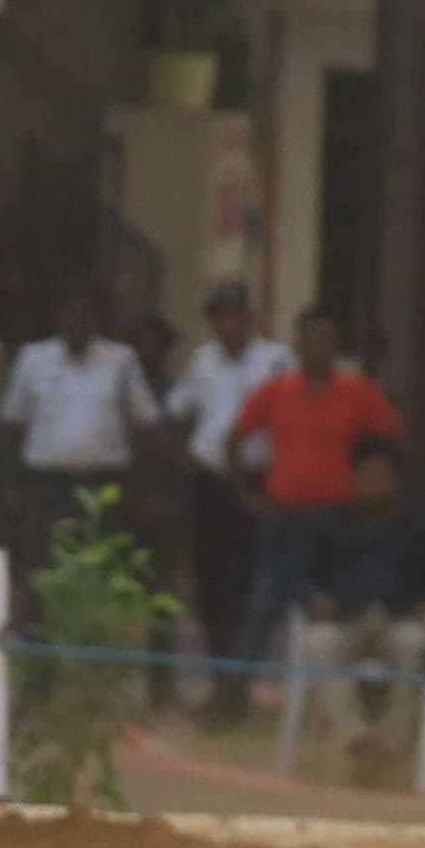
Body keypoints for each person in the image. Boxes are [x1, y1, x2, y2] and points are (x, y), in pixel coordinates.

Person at [231, 309, 404, 640]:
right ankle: (240, 683)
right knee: (263, 600)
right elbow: (234, 440)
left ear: (337, 345)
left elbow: (393, 437)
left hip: (335, 519)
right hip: (281, 514)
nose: (318, 348)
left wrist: (376, 490)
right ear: (298, 344)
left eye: (326, 340)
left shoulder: (358, 392)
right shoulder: (275, 390)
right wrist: (246, 494)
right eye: (310, 340)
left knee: (331, 602)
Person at [162, 282, 292, 720]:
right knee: (211, 589)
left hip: (257, 484)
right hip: (209, 484)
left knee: (249, 590)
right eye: (220, 317)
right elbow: (177, 413)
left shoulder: (275, 360)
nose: (228, 324)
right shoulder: (202, 361)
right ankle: (221, 686)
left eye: (236, 315)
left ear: (250, 318)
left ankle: (239, 688)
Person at [290, 441, 425, 779]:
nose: (375, 483)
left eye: (383, 476)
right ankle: (356, 738)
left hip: (397, 618)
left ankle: (389, 745)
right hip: (342, 618)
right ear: (353, 477)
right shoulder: (325, 522)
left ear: (396, 481)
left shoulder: (419, 526)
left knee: (418, 646)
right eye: (367, 475)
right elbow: (297, 575)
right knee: (320, 644)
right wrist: (314, 598)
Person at [3, 289, 165, 614]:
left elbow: (147, 423)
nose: (77, 320)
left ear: (98, 320)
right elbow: (12, 425)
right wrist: (9, 485)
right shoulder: (33, 359)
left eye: (85, 313)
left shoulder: (120, 361)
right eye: (69, 312)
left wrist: (143, 487)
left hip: (103, 486)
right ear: (56, 319)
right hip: (47, 486)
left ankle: (95, 652)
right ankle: (41, 654)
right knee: (42, 567)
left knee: (102, 567)